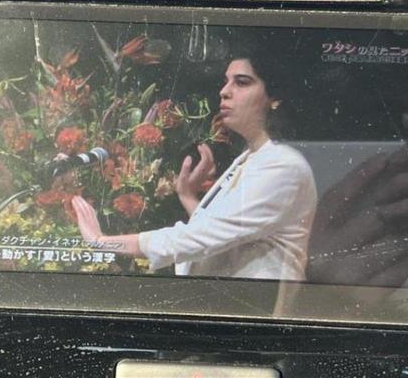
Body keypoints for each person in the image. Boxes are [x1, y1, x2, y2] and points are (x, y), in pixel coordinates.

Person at [73, 47, 317, 281]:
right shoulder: (250, 158)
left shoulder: (283, 166)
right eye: (226, 81)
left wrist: (102, 242)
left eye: (242, 82)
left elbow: (197, 239)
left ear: (274, 97)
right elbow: (220, 233)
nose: (224, 91)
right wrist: (188, 197)